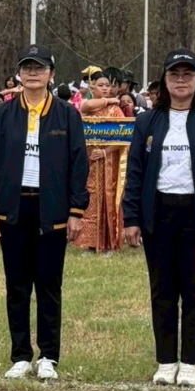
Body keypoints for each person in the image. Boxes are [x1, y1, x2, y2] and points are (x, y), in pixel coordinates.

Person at [122, 50, 195, 388]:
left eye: (188, 74)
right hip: (158, 213)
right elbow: (135, 174)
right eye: (175, 74)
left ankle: (190, 362)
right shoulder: (147, 121)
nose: (181, 80)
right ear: (165, 80)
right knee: (162, 291)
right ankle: (166, 361)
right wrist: (132, 218)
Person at [0, 44, 88, 380]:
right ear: (19, 74)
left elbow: (78, 164)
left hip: (52, 208)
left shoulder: (67, 114)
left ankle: (49, 357)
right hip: (13, 209)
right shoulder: (3, 114)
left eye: (39, 68)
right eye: (27, 68)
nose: (33, 73)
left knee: (49, 284)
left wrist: (75, 210)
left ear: (51, 74)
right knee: (17, 285)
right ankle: (21, 355)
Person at [78, 66, 127, 252]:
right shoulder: (88, 107)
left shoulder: (115, 111)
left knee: (108, 198)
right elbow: (85, 106)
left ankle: (109, 242)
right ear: (92, 88)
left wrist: (105, 152)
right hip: (90, 162)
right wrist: (107, 100)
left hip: (108, 163)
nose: (105, 88)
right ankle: (91, 242)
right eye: (101, 85)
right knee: (91, 199)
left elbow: (123, 138)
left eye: (108, 85)